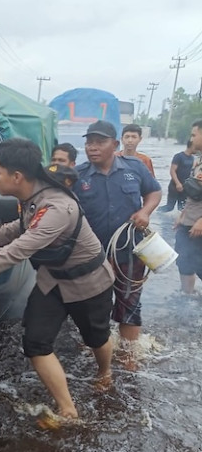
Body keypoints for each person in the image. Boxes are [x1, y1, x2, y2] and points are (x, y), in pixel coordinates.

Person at [0, 138, 114, 422]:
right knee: (35, 343)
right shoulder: (33, 198)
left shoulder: (57, 208)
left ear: (17, 176)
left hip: (89, 282)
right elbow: (23, 226)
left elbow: (18, 250)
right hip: (52, 282)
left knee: (96, 337)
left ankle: (106, 372)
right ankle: (68, 409)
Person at [73, 120, 161, 348]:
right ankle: (96, 356)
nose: (92, 147)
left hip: (129, 253)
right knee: (92, 308)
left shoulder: (135, 167)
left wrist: (145, 211)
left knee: (130, 306)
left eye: (99, 142)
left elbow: (154, 192)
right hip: (93, 257)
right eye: (89, 143)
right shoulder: (78, 176)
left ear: (115, 144)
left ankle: (128, 357)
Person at [174, 120, 202, 294]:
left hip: (199, 226)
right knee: (183, 261)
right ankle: (187, 296)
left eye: (194, 134)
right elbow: (194, 194)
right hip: (188, 223)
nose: (191, 139)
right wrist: (182, 215)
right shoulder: (198, 161)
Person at [160, 140, 195, 212]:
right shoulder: (179, 156)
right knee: (169, 207)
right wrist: (177, 183)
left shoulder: (192, 158)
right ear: (192, 146)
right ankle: (156, 212)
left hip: (185, 187)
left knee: (182, 208)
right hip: (174, 185)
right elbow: (172, 171)